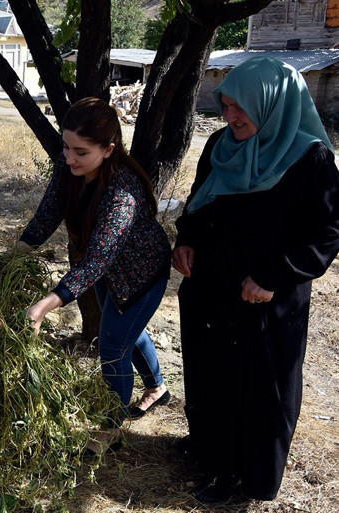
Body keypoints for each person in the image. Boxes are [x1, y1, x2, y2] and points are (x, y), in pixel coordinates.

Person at [173, 57, 339, 504]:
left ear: (272, 103)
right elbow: (198, 203)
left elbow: (326, 233)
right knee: (211, 375)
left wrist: (272, 276)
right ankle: (210, 458)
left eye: (240, 107)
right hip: (212, 288)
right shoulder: (218, 146)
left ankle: (249, 479)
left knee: (259, 387)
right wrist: (186, 240)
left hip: (265, 301)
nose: (230, 117)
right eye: (225, 106)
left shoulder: (310, 157)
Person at [18, 97, 172, 450]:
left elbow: (98, 259)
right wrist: (19, 251)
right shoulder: (69, 163)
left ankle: (110, 427)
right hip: (108, 272)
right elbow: (49, 210)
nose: (69, 157)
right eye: (66, 146)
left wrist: (44, 306)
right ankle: (157, 387)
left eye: (81, 152)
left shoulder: (123, 192)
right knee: (126, 331)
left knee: (113, 345)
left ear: (108, 149)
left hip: (141, 273)